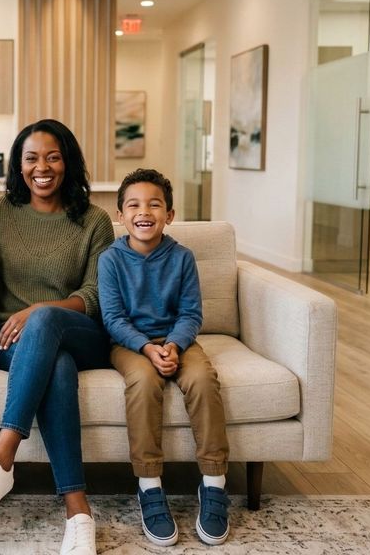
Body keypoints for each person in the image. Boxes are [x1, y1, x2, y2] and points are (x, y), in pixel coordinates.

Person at [0, 119, 115, 555]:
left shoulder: (94, 220)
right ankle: (78, 512)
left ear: (69, 162)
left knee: (44, 323)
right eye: (31, 158)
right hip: (14, 344)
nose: (42, 167)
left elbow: (95, 294)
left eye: (53, 156)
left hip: (80, 333)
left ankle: (3, 454)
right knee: (55, 368)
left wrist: (39, 309)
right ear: (17, 165)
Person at [98, 168, 230, 547]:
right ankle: (149, 484)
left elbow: (191, 313)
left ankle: (214, 482)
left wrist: (173, 345)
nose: (144, 212)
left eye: (154, 204)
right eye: (134, 205)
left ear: (169, 215)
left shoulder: (183, 257)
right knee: (142, 381)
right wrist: (146, 348)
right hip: (130, 344)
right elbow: (112, 318)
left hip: (177, 340)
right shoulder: (110, 260)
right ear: (120, 215)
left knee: (203, 379)